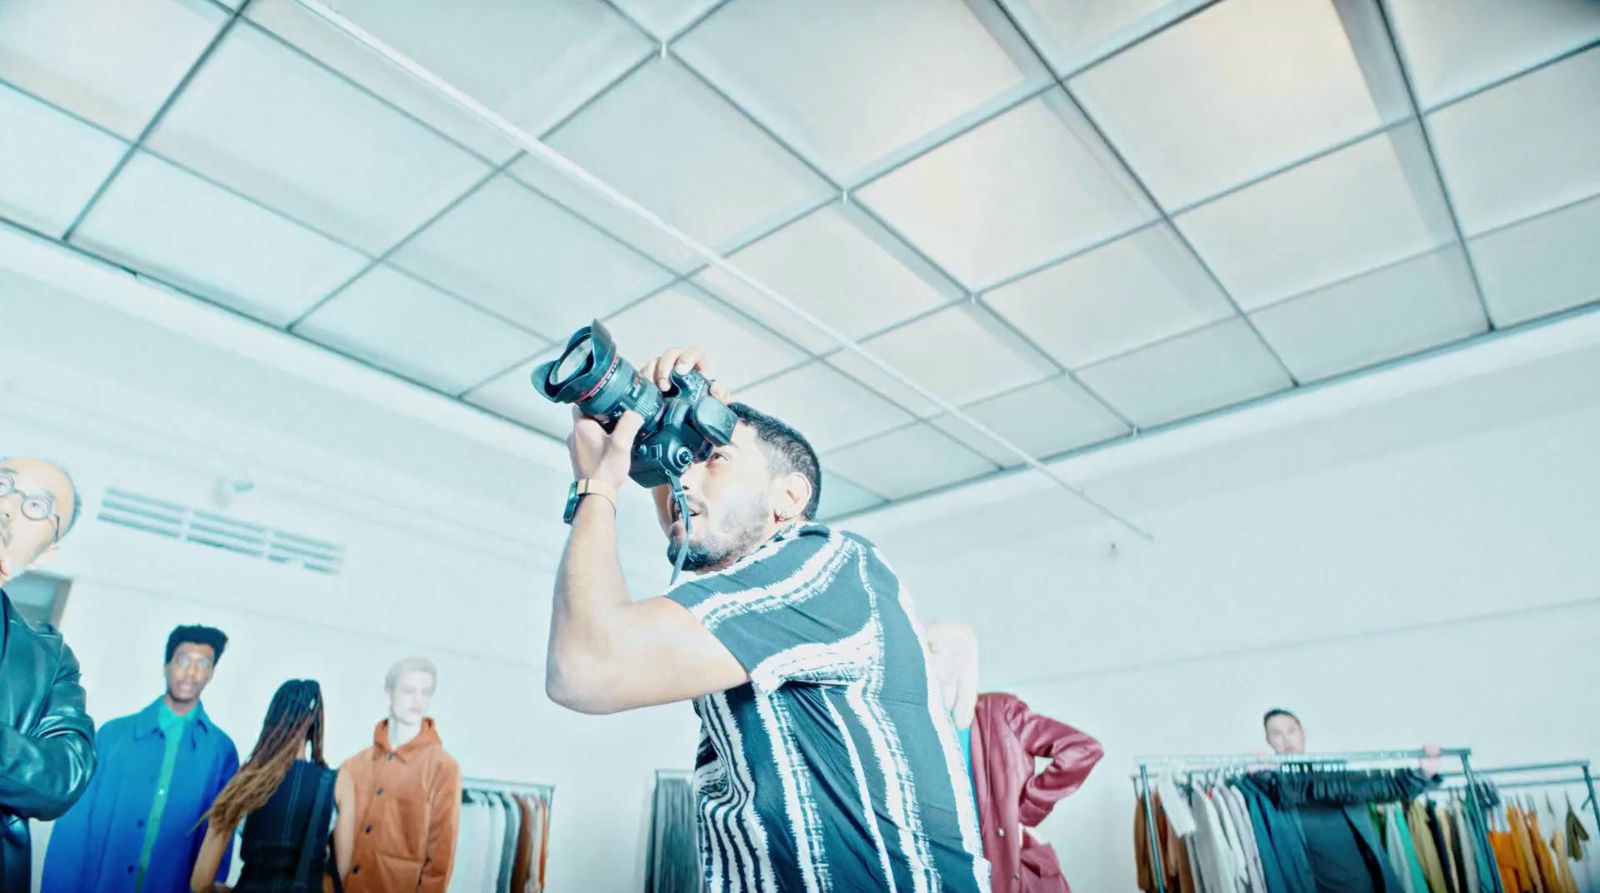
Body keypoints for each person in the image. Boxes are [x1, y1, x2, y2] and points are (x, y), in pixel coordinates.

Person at [545, 346, 989, 891]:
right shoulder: (748, 620)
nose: (682, 480)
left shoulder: (828, 564)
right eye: (684, 461)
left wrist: (598, 485)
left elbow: (584, 666)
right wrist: (653, 432)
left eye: (715, 458)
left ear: (789, 497)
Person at [44, 625, 240, 893]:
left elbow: (219, 843)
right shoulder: (113, 737)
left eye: (202, 663)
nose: (191, 672)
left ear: (211, 673)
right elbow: (73, 828)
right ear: (166, 665)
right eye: (183, 659)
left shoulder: (221, 751)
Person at [0, 456, 96, 890]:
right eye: (3, 483)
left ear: (45, 553)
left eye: (37, 506)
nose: (7, 505)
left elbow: (64, 776)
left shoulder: (50, 658)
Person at [189, 679, 347, 893]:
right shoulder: (338, 784)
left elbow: (200, 883)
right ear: (315, 723)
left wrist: (224, 890)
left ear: (272, 719)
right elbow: (342, 873)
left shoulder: (244, 783)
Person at [335, 656, 461, 893]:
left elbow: (440, 860)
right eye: (409, 691)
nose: (418, 700)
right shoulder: (353, 767)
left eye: (426, 692)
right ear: (388, 694)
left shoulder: (443, 768)